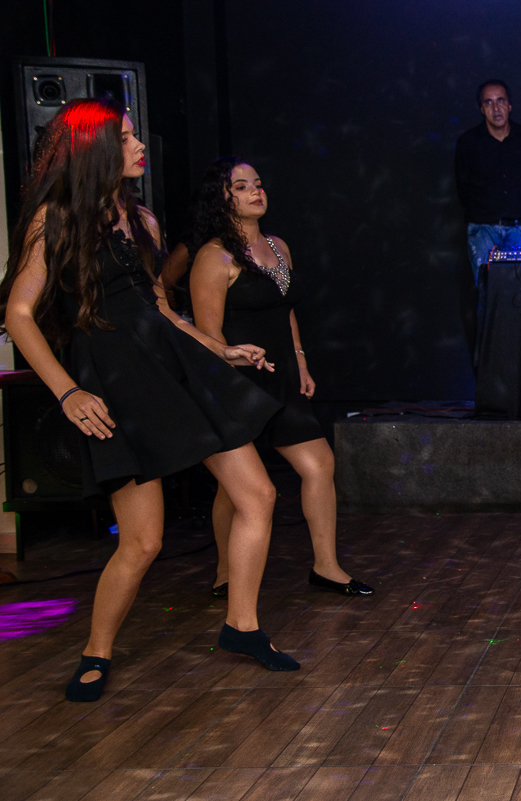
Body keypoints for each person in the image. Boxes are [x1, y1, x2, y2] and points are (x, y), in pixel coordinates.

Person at [0, 100, 300, 702]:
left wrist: (218, 350)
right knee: (142, 541)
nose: (140, 145)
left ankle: (242, 627)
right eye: (128, 137)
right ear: (94, 151)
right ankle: (96, 651)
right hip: (115, 383)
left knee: (257, 493)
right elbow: (19, 313)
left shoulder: (141, 219)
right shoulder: (54, 221)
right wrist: (68, 391)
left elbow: (160, 308)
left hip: (175, 367)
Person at [180, 157, 373, 598]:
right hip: (238, 383)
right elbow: (209, 336)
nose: (256, 191)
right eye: (242, 186)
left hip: (282, 376)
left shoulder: (278, 246)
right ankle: (226, 573)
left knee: (320, 464)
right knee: (237, 489)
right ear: (222, 198)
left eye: (259, 184)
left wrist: (300, 360)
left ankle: (327, 566)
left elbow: (284, 311)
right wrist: (236, 367)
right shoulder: (214, 257)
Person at [454, 79, 521, 285]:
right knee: (488, 296)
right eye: (488, 102)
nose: (496, 108)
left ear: (510, 105)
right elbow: (463, 189)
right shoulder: (469, 143)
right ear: (481, 108)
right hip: (484, 230)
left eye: (501, 101)